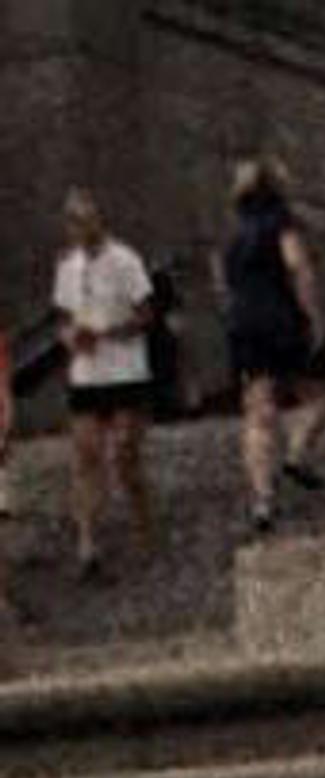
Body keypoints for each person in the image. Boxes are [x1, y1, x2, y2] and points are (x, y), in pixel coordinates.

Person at [219, 157, 325, 538]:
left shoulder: (234, 236)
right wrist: (315, 315)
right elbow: (298, 267)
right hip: (281, 319)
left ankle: (263, 498)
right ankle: (297, 455)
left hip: (243, 323)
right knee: (318, 398)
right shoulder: (281, 224)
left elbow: (223, 285)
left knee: (258, 412)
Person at [49, 194, 161, 584]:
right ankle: (87, 543)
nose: (77, 230)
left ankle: (144, 523)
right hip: (87, 373)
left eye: (83, 222)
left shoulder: (125, 260)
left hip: (125, 369)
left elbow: (147, 313)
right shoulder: (68, 265)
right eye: (71, 224)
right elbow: (62, 316)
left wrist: (111, 331)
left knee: (124, 456)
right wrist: (70, 337)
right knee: (86, 456)